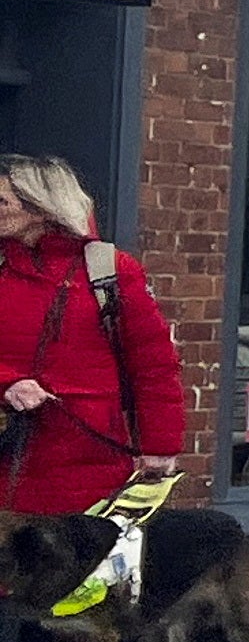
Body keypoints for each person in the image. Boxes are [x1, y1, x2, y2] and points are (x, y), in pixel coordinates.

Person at [0, 151, 190, 534]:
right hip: (9, 455)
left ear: (41, 207)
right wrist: (7, 383)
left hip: (92, 464)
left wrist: (160, 447)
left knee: (83, 579)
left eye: (3, 201)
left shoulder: (110, 271)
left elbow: (154, 366)